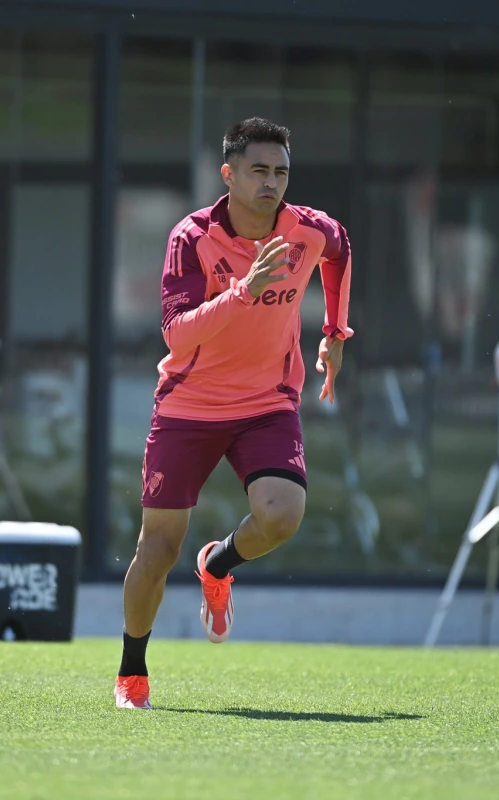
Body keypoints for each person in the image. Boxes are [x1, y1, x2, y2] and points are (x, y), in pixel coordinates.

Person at [114, 118, 353, 709]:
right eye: (258, 171)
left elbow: (340, 251)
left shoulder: (309, 230)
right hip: (189, 405)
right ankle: (132, 671)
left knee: (283, 515)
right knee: (158, 548)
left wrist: (335, 332)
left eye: (281, 172)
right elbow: (175, 336)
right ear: (229, 174)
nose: (271, 183)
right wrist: (244, 289)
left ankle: (218, 564)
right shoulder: (190, 237)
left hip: (267, 402)